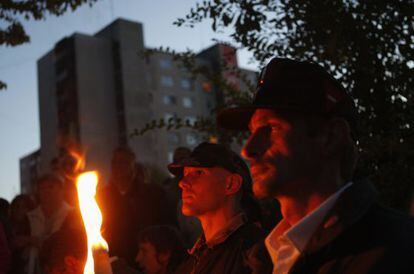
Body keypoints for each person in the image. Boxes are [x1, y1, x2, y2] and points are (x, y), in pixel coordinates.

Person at [217, 58, 414, 273]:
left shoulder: (395, 252)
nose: (248, 149)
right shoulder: (266, 257)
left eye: (272, 128)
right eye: (252, 131)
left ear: (331, 137)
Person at [168, 142, 272, 274]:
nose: (183, 183)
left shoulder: (255, 255)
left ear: (231, 184)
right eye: (185, 174)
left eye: (198, 173)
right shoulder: (194, 259)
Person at [98, 146, 173, 266]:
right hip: (113, 260)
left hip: (148, 260)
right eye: (115, 162)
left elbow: (167, 226)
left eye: (123, 162)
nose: (118, 167)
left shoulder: (153, 195)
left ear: (133, 165)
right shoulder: (101, 197)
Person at [26, 174, 73, 274]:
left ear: (61, 190)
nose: (46, 191)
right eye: (42, 188)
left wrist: (34, 240)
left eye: (51, 187)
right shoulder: (29, 217)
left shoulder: (73, 214)